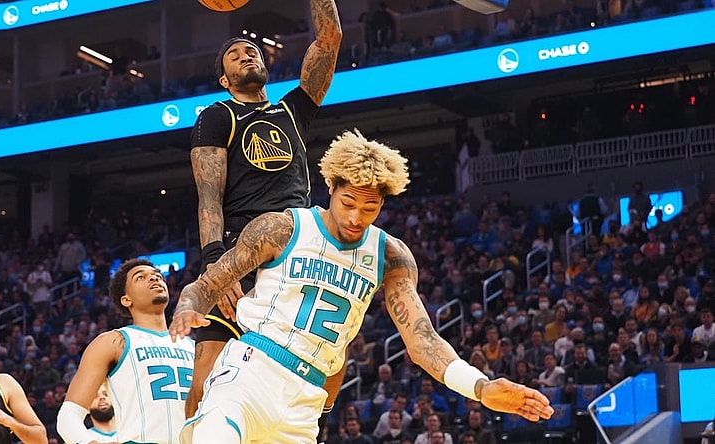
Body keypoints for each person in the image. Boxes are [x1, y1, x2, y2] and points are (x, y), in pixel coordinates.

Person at [171, 130, 554, 443]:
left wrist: (481, 387)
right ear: (331, 188)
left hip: (305, 400)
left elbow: (422, 342)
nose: (356, 217)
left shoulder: (391, 256)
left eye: (369, 208)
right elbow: (207, 285)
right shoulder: (283, 227)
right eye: (348, 202)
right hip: (251, 372)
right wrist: (187, 306)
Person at [187, 0, 343, 437]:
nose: (246, 55)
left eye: (251, 51)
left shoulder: (292, 109)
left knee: (324, 370)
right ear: (224, 77)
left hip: (301, 249)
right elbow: (208, 198)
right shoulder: (218, 116)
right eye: (235, 55)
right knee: (205, 384)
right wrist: (217, 267)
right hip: (243, 253)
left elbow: (329, 41)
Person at [56, 258, 196, 444]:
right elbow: (68, 416)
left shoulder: (194, 347)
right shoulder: (112, 342)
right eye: (141, 277)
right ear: (126, 299)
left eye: (157, 276)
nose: (154, 279)